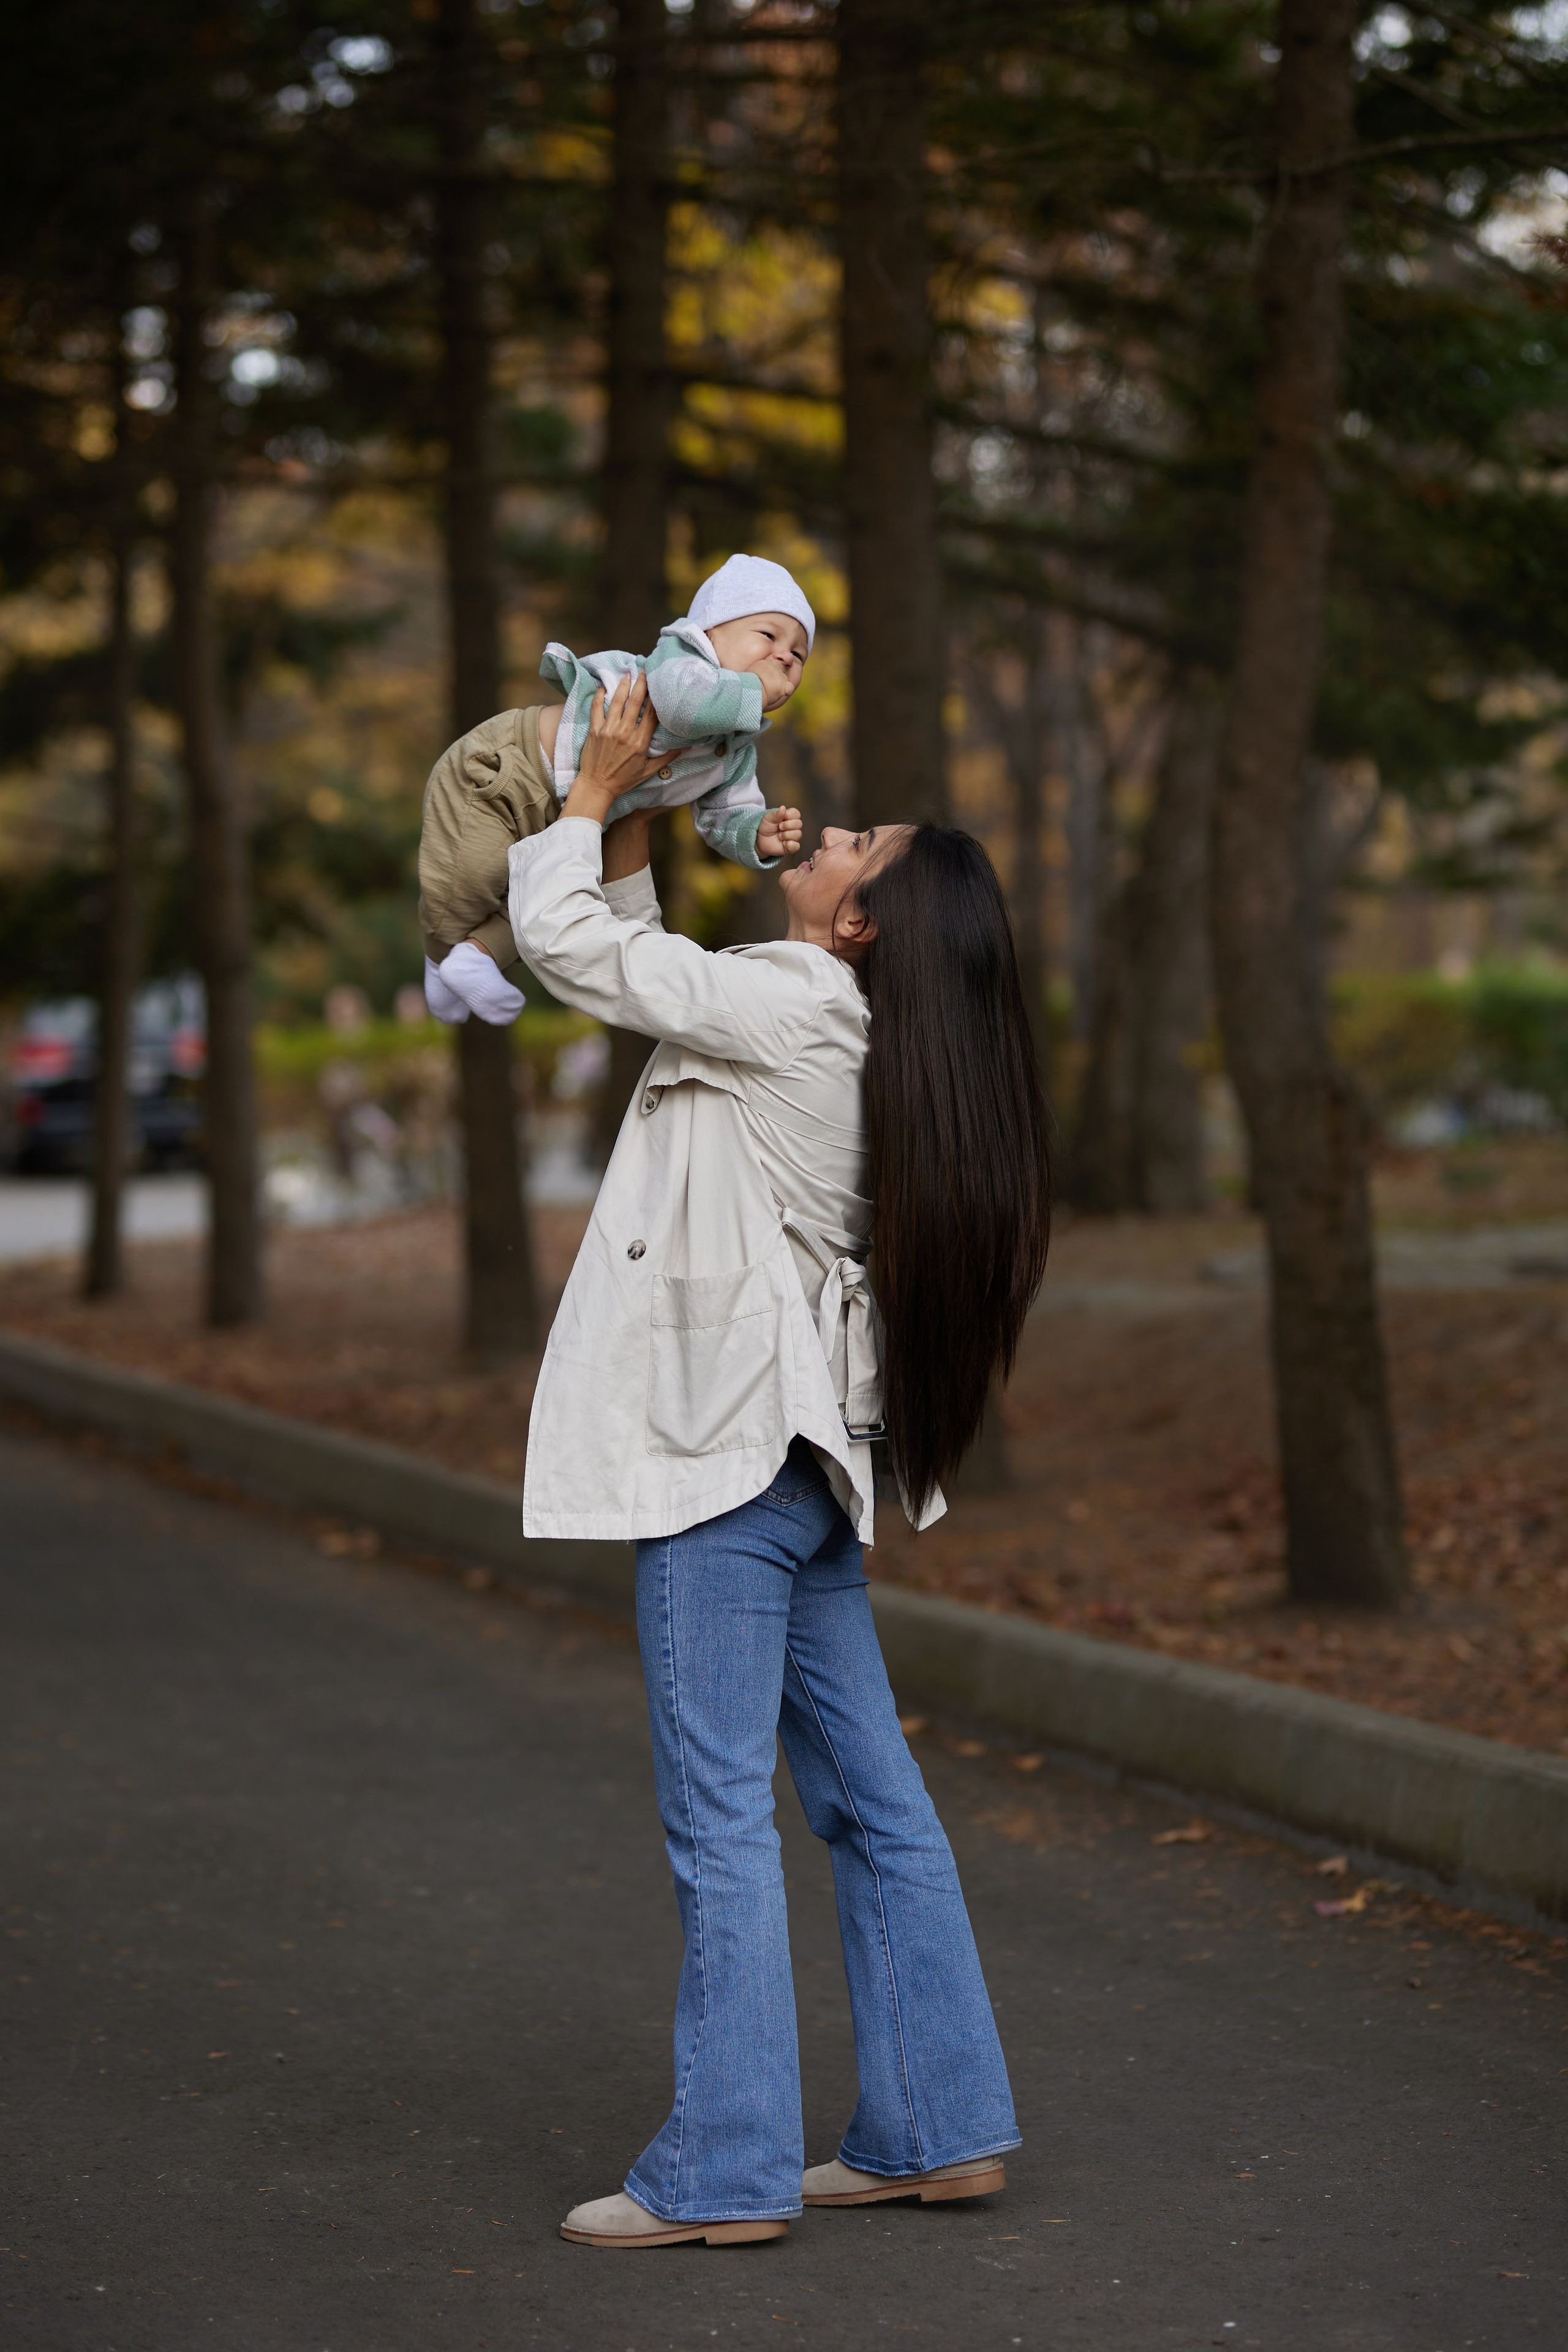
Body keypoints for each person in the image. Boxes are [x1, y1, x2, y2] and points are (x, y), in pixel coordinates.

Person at [507, 673, 1052, 2251]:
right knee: (871, 1804)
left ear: (860, 923)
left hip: (718, 1465)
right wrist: (659, 816)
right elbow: (656, 964)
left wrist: (588, 796)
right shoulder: (872, 1037)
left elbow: (582, 956)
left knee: (718, 1821)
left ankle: (724, 2168)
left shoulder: (798, 1001)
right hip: (803, 1464)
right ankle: (933, 2129)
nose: (827, 831)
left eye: (857, 844)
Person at [418, 554, 812, 1027]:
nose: (784, 656)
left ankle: (476, 957)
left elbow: (722, 815)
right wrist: (753, 690)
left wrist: (754, 833)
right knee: (473, 874)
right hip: (507, 771)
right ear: (708, 632)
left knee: (541, 897)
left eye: (799, 654)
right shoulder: (683, 662)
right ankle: (440, 959)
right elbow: (683, 708)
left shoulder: (735, 750)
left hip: (570, 818)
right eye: (768, 636)